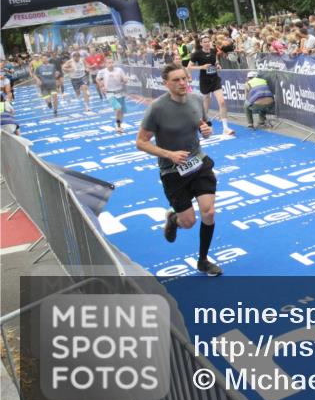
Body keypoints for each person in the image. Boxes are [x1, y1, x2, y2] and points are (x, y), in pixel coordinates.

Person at [136, 63, 221, 276]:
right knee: (189, 222)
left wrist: (207, 131)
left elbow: (204, 127)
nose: (182, 83)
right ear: (166, 84)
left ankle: (203, 260)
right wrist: (170, 154)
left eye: (184, 78)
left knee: (209, 212)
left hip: (198, 162)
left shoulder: (196, 100)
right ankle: (174, 219)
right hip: (173, 171)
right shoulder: (157, 108)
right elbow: (141, 142)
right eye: (176, 80)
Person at [188, 36, 235, 136]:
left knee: (222, 102)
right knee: (206, 104)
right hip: (205, 80)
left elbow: (216, 60)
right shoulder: (197, 54)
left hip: (215, 79)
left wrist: (218, 65)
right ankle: (205, 125)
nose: (207, 43)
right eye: (204, 42)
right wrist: (202, 67)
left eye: (208, 41)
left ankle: (225, 127)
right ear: (201, 43)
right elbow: (189, 67)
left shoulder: (213, 50)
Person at [97, 57, 128, 133]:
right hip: (109, 93)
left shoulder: (119, 70)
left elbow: (124, 79)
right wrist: (101, 85)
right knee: (118, 108)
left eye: (112, 62)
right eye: (109, 63)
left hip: (120, 92)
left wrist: (125, 80)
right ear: (105, 64)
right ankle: (118, 127)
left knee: (121, 111)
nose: (111, 64)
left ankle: (119, 125)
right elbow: (97, 79)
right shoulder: (102, 72)